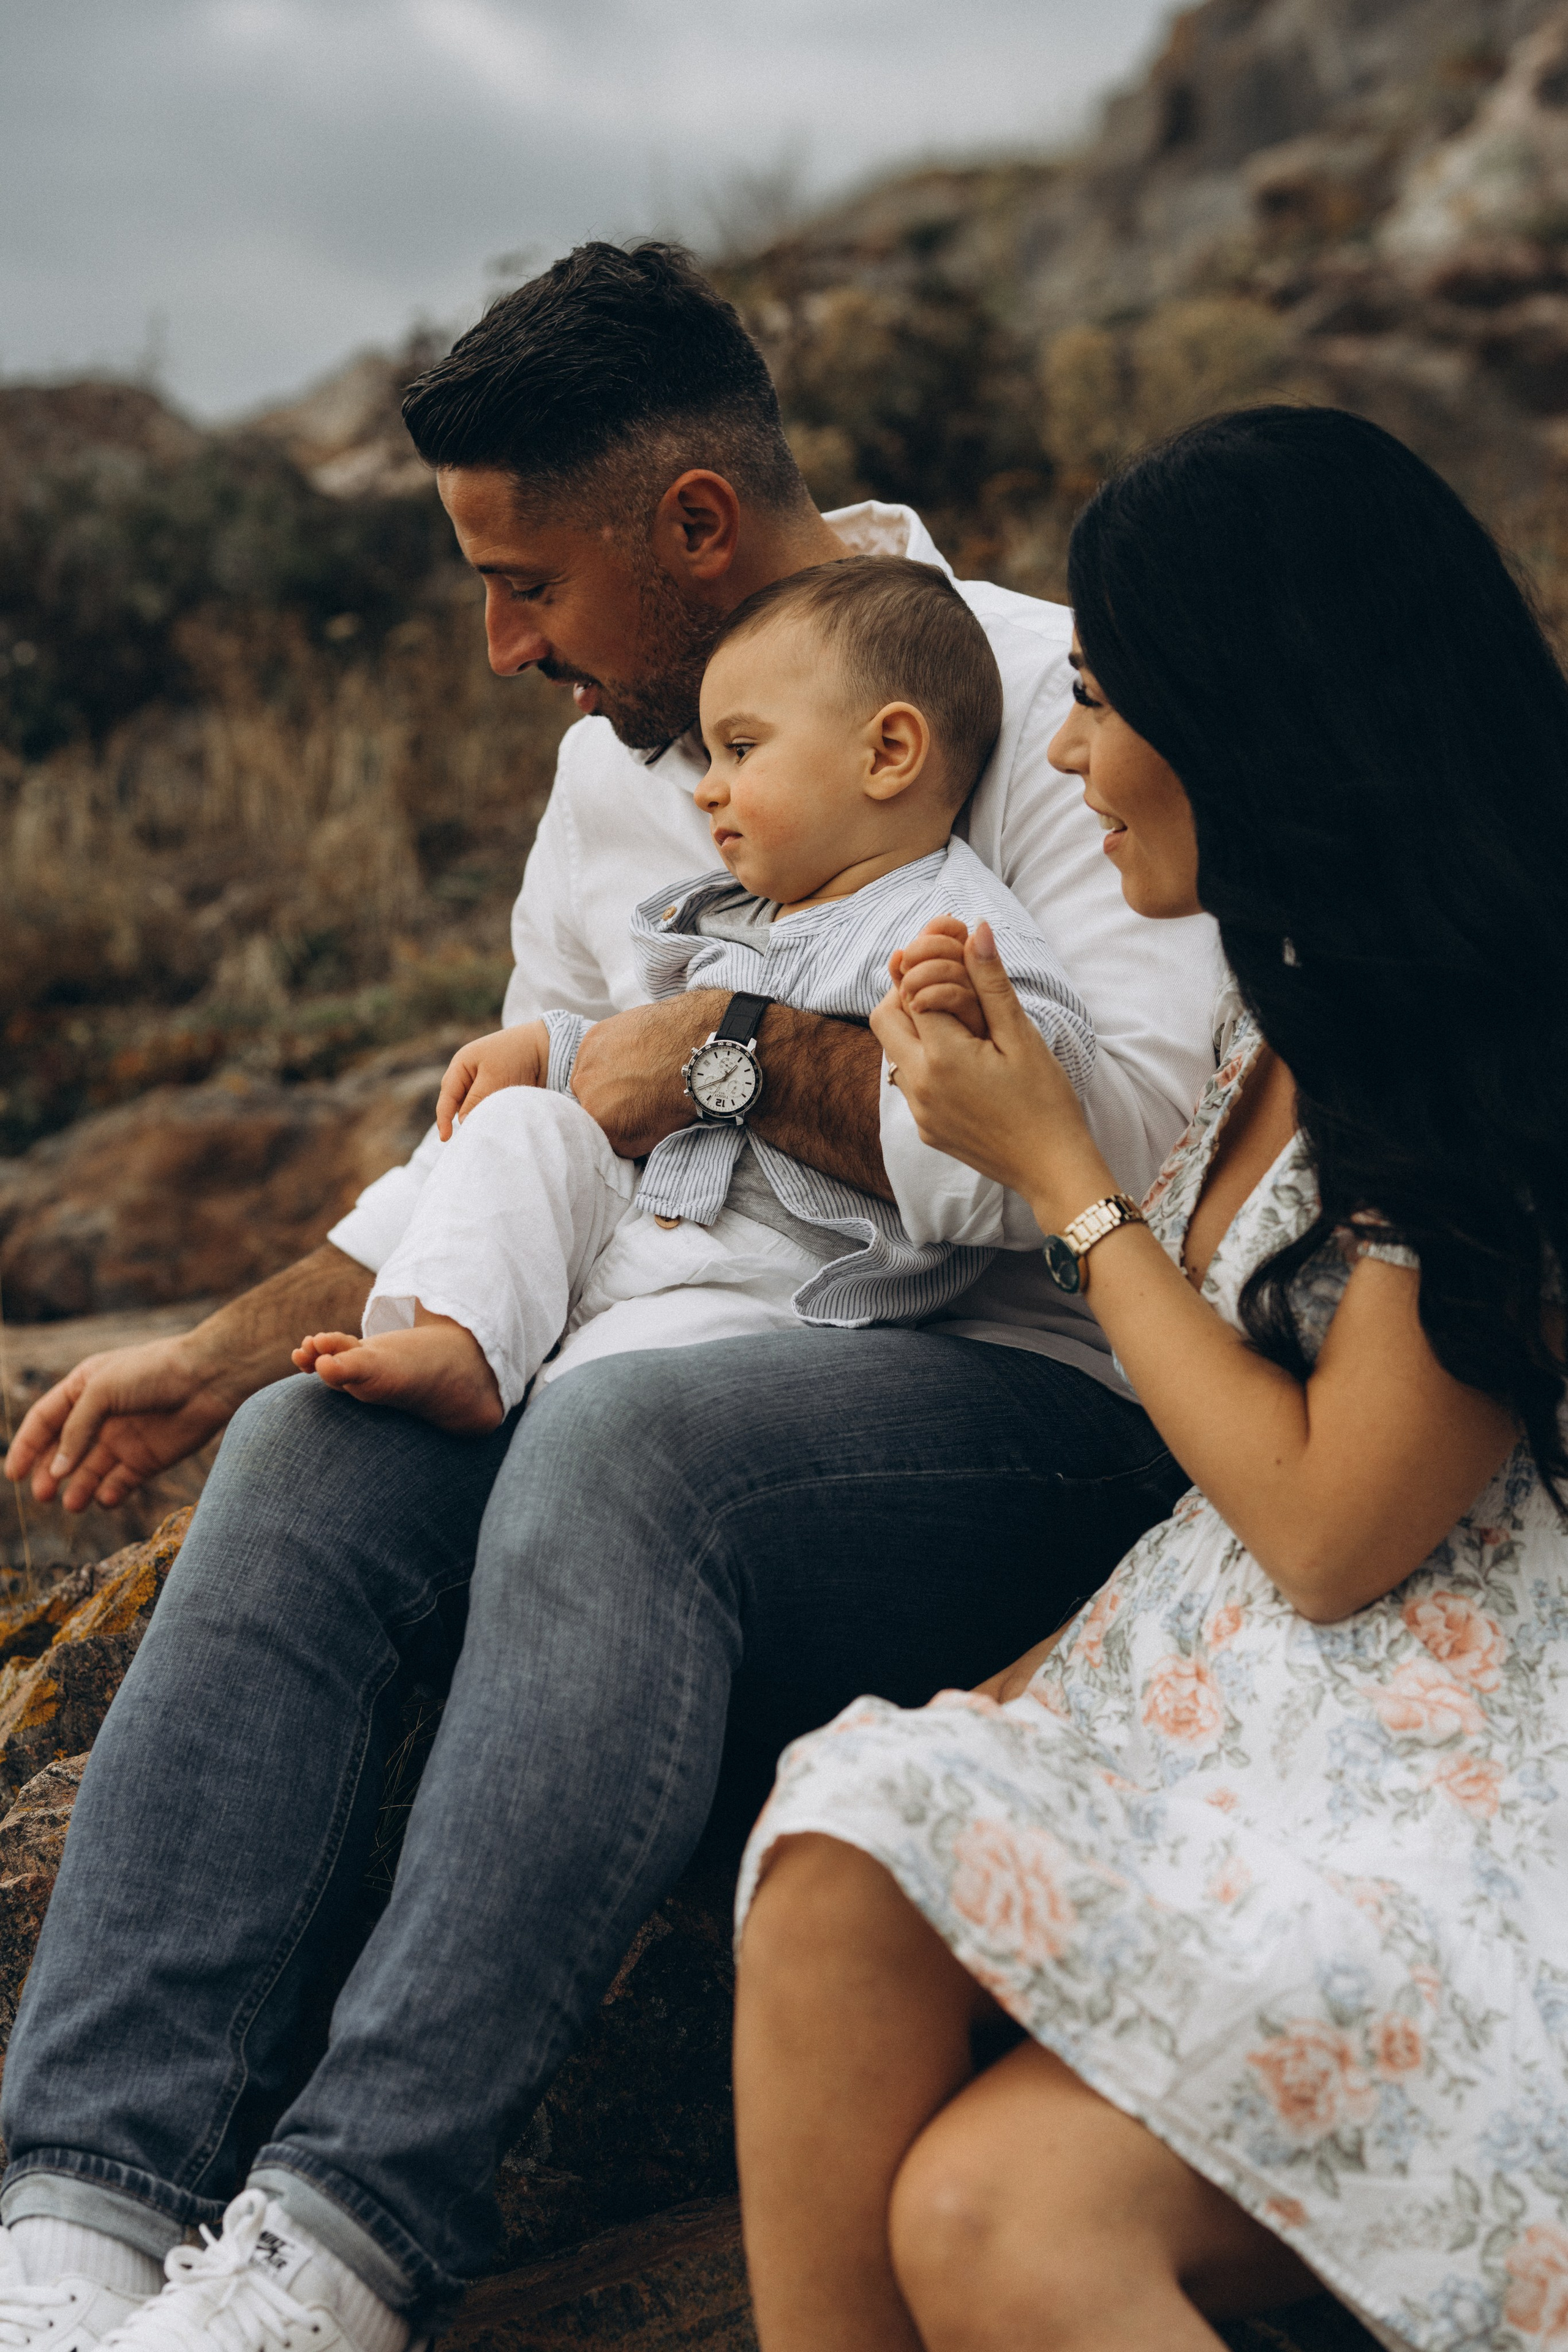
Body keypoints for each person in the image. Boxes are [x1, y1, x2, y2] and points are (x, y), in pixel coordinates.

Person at [0, 244, 1219, 2352]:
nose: (499, 647)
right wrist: (217, 1349)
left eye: (527, 583)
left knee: (623, 1440)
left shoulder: (1055, 713)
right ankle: (78, 2211)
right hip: (671, 1339)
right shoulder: (606, 773)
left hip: (1030, 1401)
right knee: (315, 1433)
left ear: (694, 527)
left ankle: (341, 2241)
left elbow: (1138, 1177)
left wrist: (719, 1049)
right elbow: (525, 1131)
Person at [731, 404, 1568, 2352]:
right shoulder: (1281, 1009)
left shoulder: (1487, 1057)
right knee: (839, 1842)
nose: (1080, 758)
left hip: (1456, 1774)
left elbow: (1334, 1527)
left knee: (991, 2216)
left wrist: (1065, 1180)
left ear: (1259, 711)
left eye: (1106, 699)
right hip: (1246, 1714)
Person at [296, 557, 1094, 1430]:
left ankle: (537, 1414)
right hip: (652, 1213)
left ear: (888, 753)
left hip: (776, 1271)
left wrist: (972, 1021)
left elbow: (1051, 1093)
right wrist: (551, 1051)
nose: (709, 786)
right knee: (520, 1128)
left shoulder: (950, 925)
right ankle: (463, 1342)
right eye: (712, 754)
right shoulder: (742, 913)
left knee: (601, 1398)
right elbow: (638, 1047)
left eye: (742, 749)